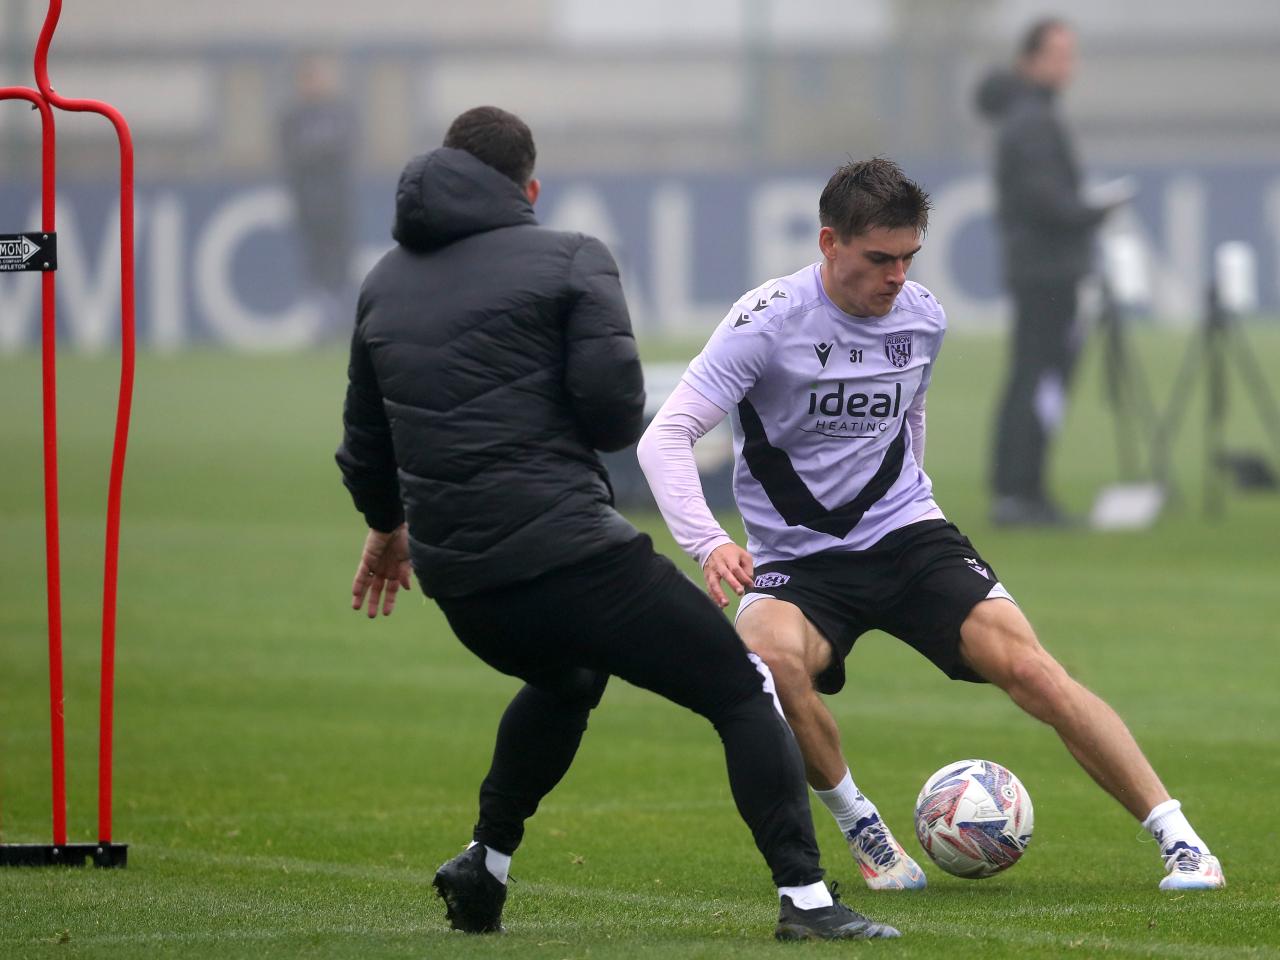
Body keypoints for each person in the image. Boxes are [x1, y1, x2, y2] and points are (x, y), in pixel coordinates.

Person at [335, 105, 900, 941]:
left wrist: (387, 529)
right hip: (570, 556)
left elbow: (363, 445)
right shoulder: (572, 258)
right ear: (528, 187)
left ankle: (484, 864)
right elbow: (611, 419)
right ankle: (807, 902)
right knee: (743, 690)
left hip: (461, 584)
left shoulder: (382, 281)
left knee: (568, 676)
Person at [637, 157, 1225, 892]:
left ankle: (1182, 840)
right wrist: (710, 541)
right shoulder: (768, 321)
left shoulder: (923, 316)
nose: (896, 277)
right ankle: (865, 830)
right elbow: (663, 437)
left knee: (1033, 670)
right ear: (828, 243)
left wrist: (920, 505)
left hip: (908, 537)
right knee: (771, 666)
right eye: (878, 259)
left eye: (908, 258)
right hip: (798, 562)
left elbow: (909, 417)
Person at [976, 18, 1127, 526]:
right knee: (1041, 379)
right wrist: (1095, 211)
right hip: (1048, 269)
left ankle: (1014, 487)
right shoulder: (1033, 120)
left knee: (1029, 375)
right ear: (1031, 60)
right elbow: (1046, 201)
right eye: (1059, 54)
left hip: (1035, 268)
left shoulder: (1025, 116)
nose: (1069, 65)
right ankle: (1024, 492)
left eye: (1071, 54)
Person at [279, 54, 357, 340]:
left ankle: (341, 322)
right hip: (308, 206)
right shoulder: (292, 118)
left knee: (340, 265)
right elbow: (292, 157)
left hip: (338, 206)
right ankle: (319, 324)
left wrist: (315, 152)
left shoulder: (341, 113)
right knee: (314, 266)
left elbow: (344, 149)